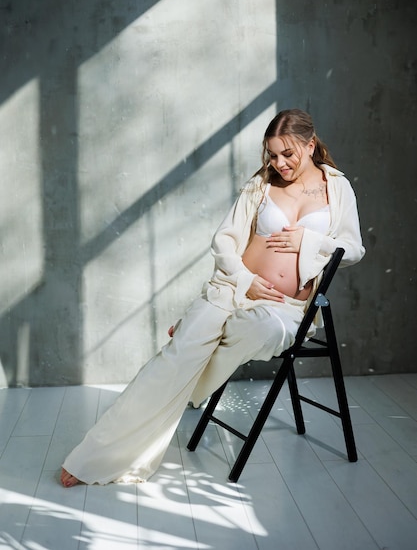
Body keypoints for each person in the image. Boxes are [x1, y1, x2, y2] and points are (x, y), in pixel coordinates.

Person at [61, 108, 365, 487]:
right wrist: (245, 280)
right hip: (233, 291)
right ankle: (93, 458)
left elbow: (352, 249)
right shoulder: (260, 186)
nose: (279, 163)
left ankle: (193, 339)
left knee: (261, 331)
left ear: (311, 144)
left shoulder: (336, 188)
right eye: (272, 154)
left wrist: (311, 240)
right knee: (171, 362)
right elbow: (223, 242)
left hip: (284, 308)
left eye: (289, 154)